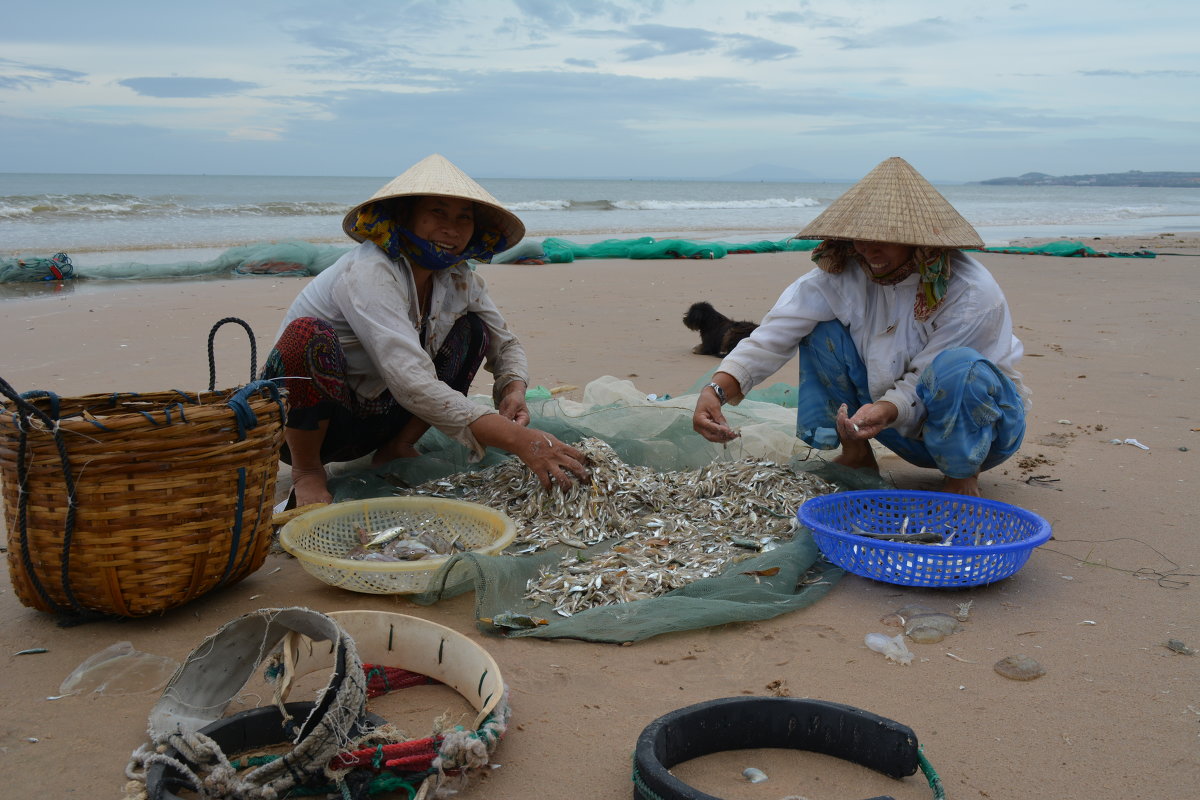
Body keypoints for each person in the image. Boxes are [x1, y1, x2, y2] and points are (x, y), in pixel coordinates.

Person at [263, 153, 587, 507]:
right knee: (305, 336)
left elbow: (503, 342)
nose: (452, 229)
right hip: (312, 422)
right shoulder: (370, 271)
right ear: (406, 216)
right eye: (438, 213)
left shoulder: (459, 277)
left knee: (474, 331)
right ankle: (307, 472)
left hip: (380, 416)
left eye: (464, 218)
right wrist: (520, 441)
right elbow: (410, 379)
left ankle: (397, 446)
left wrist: (513, 386)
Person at [692, 156, 1030, 496]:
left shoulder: (970, 290)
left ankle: (961, 477)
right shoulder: (844, 274)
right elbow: (777, 331)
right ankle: (856, 455)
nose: (868, 249)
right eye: (859, 238)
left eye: (884, 238)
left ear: (918, 240)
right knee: (821, 331)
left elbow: (928, 376)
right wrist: (716, 390)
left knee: (959, 366)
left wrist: (886, 408)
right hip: (889, 426)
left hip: (984, 436)